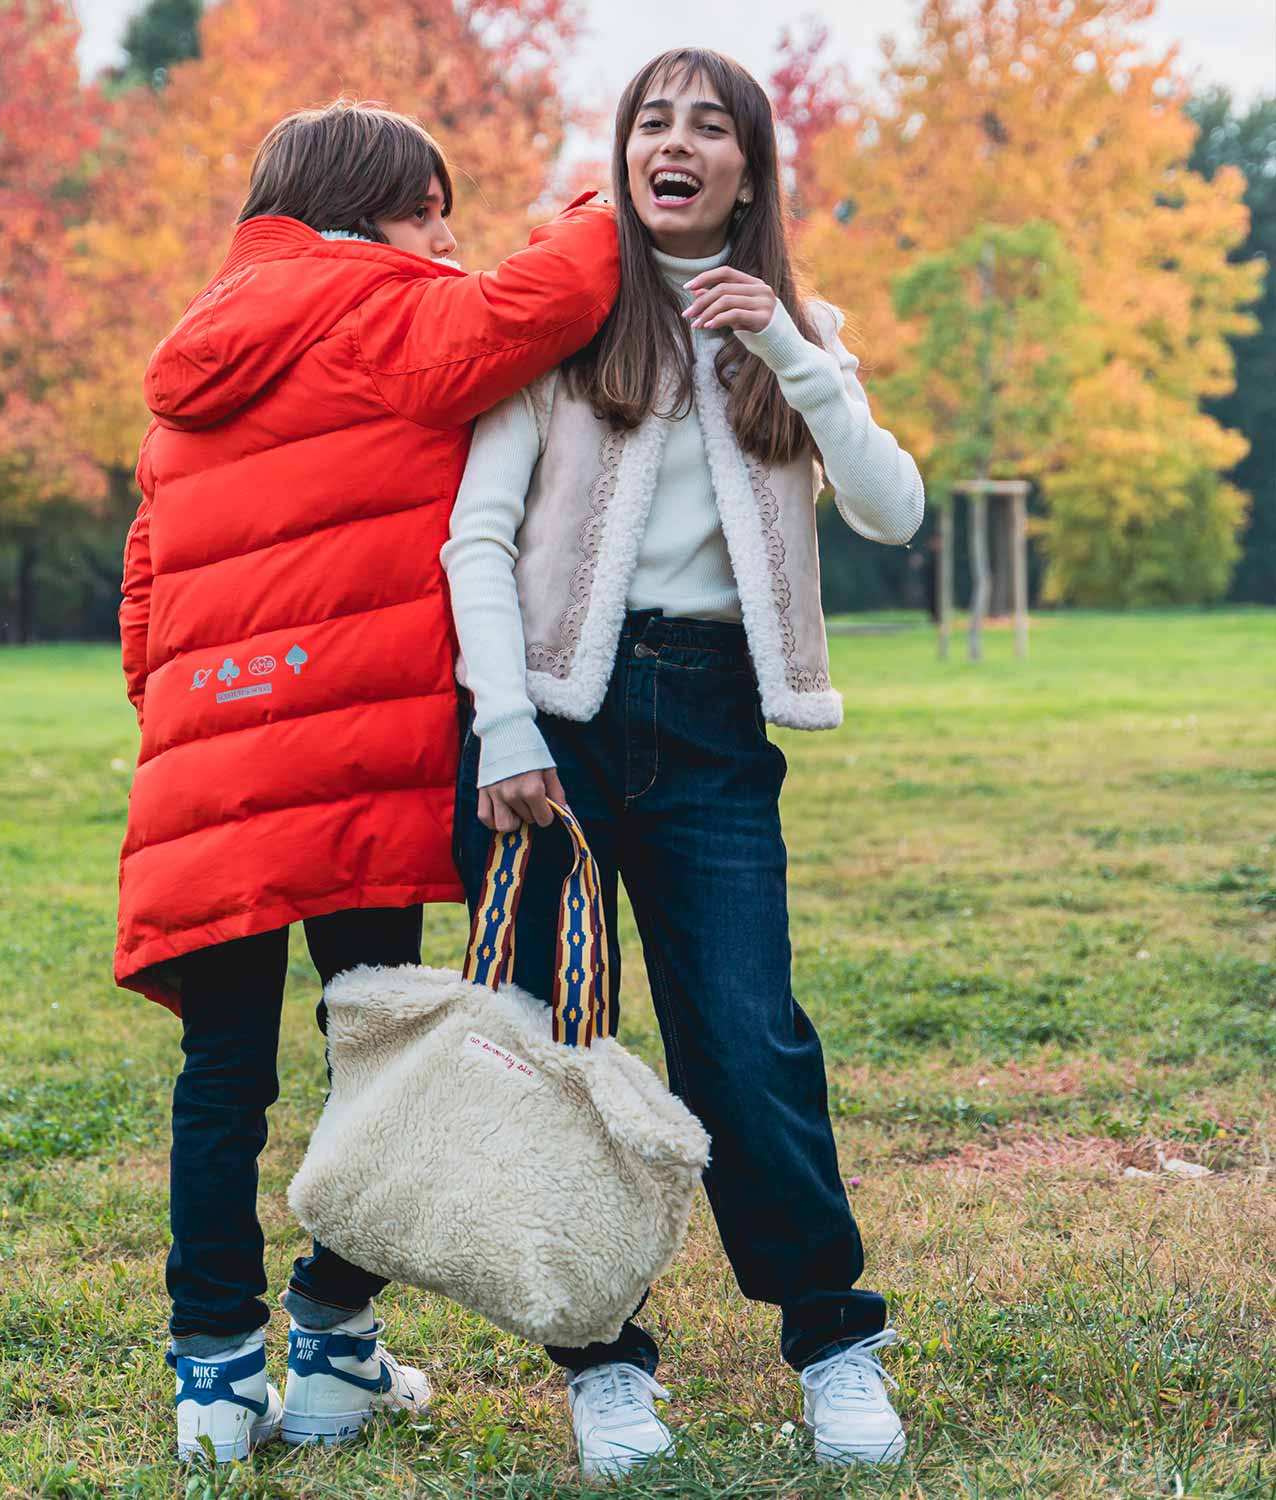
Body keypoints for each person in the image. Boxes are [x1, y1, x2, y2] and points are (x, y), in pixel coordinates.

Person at [115, 98, 620, 1464]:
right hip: (356, 768)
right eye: (428, 210)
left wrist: (195, 725)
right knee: (378, 1056)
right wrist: (601, 196)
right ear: (367, 209)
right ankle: (334, 1345)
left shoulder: (193, 356)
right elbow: (565, 287)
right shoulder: (391, 320)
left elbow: (145, 592)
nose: (445, 238)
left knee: (222, 1076)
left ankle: (213, 1383)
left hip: (211, 772)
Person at [443, 49, 924, 1479]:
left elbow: (893, 509)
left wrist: (792, 351)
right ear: (626, 155)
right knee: (559, 1051)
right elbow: (477, 536)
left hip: (712, 726)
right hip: (553, 727)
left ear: (749, 170)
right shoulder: (566, 315)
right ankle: (603, 1368)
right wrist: (505, 725)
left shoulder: (796, 332)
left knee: (748, 1041)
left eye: (710, 127)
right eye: (653, 121)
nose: (678, 143)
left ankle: (833, 1343)